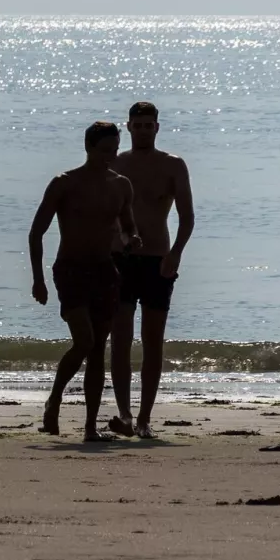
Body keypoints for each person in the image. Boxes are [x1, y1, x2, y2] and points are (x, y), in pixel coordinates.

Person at [28, 121, 140, 442]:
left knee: (96, 350)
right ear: (89, 148)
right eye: (105, 150)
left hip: (105, 270)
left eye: (115, 149)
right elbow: (36, 233)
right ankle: (55, 399)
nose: (111, 156)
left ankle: (90, 427)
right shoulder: (65, 183)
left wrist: (132, 240)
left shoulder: (121, 185)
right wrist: (38, 279)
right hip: (70, 269)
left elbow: (128, 227)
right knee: (84, 340)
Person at [107, 101, 194, 439]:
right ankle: (125, 415)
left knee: (153, 341)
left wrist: (176, 254)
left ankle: (144, 418)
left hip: (158, 259)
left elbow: (187, 217)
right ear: (127, 127)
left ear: (157, 127)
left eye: (148, 125)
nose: (143, 130)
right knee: (121, 340)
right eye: (137, 125)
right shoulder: (114, 163)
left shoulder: (172, 165)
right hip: (120, 259)